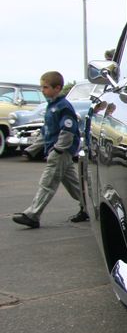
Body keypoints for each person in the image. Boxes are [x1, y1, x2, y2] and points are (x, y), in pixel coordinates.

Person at [12, 71, 89, 229]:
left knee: (47, 183)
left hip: (60, 153)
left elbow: (67, 131)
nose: (43, 90)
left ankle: (32, 215)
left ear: (57, 88)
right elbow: (46, 130)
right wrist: (32, 149)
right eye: (42, 87)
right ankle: (89, 208)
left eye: (45, 87)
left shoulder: (63, 107)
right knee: (75, 187)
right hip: (57, 152)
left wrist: (58, 150)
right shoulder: (51, 106)